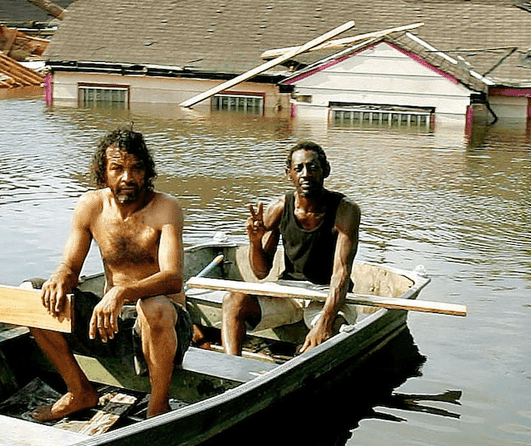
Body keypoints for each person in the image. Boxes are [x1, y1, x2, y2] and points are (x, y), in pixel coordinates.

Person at [30, 128, 191, 421]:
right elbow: (71, 267)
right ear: (104, 173)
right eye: (117, 168)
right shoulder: (91, 206)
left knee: (152, 306)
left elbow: (173, 278)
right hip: (111, 322)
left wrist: (121, 292)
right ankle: (79, 390)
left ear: (147, 172)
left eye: (136, 169)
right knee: (32, 296)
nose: (127, 178)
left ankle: (158, 406)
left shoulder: (165, 208)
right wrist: (58, 277)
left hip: (165, 323)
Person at [222, 141, 360, 356]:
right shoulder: (279, 208)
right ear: (289, 174)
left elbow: (341, 272)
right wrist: (255, 242)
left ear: (326, 171)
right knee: (233, 300)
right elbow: (260, 272)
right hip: (289, 291)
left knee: (327, 336)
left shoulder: (345, 210)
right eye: (299, 169)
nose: (306, 174)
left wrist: (324, 320)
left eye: (313, 167)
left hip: (327, 294)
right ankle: (231, 368)